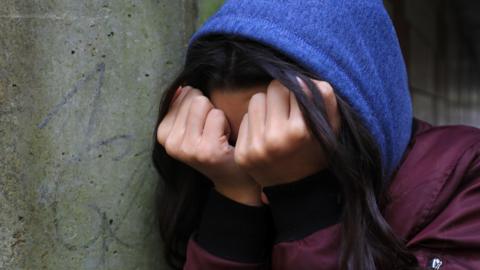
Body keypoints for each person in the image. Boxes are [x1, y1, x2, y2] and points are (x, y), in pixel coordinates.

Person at [151, 0, 480, 269]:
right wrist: (233, 205)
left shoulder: (466, 175)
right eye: (237, 141)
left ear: (359, 114)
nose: (260, 156)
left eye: (295, 138)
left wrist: (303, 198)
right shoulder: (232, 185)